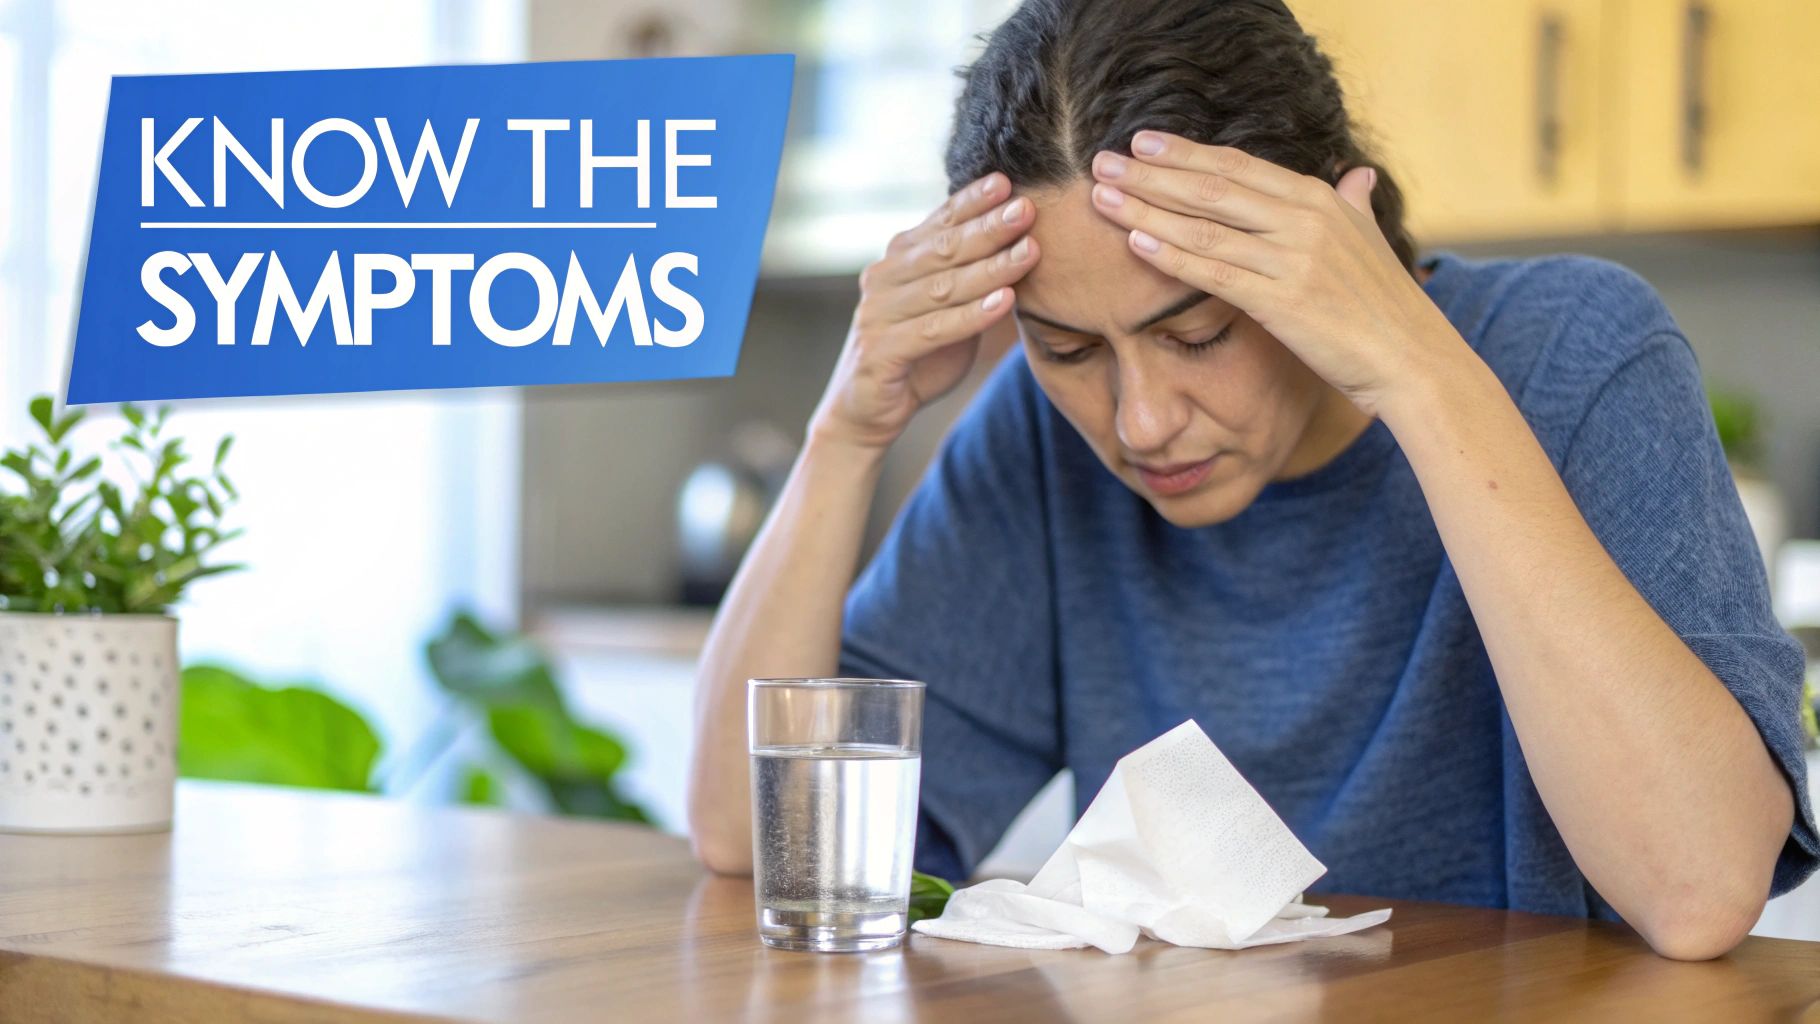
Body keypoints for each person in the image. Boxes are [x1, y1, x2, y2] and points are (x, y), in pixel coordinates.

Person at [686, 0, 1818, 960]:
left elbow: (1696, 886)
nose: (1138, 420)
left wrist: (1412, 373)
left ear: (1328, 232)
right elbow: (752, 839)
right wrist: (848, 428)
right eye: (1068, 349)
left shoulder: (1572, 350)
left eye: (1200, 328)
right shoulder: (1034, 441)